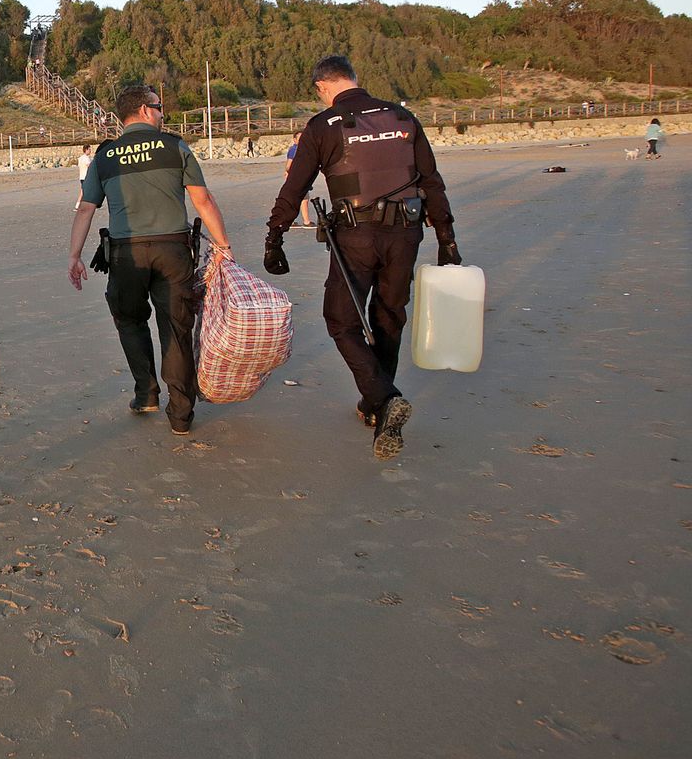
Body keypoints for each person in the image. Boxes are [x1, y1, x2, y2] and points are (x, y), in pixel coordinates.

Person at [263, 56, 460, 460]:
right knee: (389, 315)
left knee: (340, 320)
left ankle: (384, 397)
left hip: (355, 235)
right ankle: (376, 407)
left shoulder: (323, 126)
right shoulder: (402, 117)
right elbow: (431, 182)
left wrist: (275, 236)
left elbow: (295, 186)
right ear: (354, 78)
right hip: (406, 233)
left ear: (321, 87)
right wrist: (446, 238)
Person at [68, 84, 232, 436]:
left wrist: (75, 255)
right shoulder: (174, 146)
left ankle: (146, 393)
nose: (161, 114)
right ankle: (181, 414)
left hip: (126, 253)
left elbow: (85, 208)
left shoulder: (105, 156)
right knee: (175, 326)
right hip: (173, 248)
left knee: (129, 320)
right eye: (159, 108)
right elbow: (202, 200)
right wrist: (224, 246)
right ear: (144, 110)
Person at [283, 131, 314, 227]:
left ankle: (291, 221)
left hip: (300, 177)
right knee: (303, 198)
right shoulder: (295, 150)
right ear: (294, 140)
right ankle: (306, 221)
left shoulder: (300, 149)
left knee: (297, 198)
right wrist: (292, 175)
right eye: (300, 139)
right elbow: (289, 165)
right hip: (298, 178)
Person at [73, 143, 92, 209]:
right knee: (85, 192)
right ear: (86, 150)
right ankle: (83, 205)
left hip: (81, 177)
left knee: (83, 191)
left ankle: (78, 205)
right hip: (86, 177)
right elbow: (89, 167)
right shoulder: (86, 158)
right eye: (89, 149)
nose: (90, 151)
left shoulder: (80, 158)